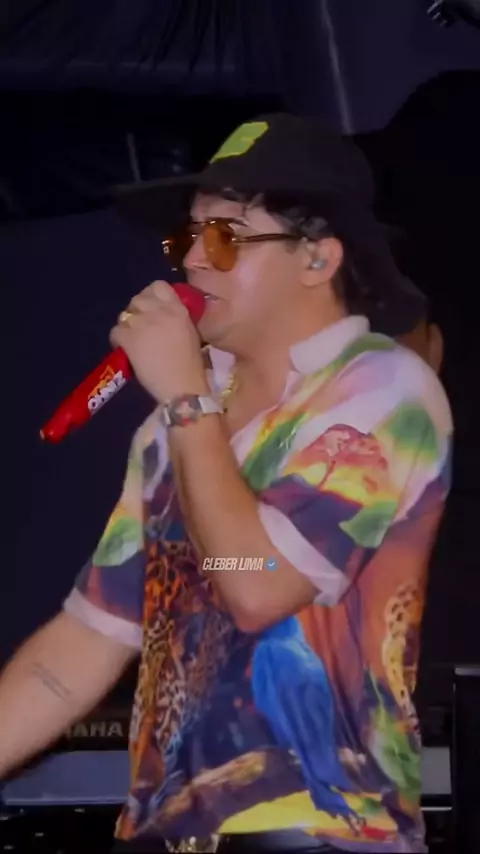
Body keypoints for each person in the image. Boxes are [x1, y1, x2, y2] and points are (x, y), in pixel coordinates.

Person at [0, 115, 452, 853]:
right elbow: (78, 650)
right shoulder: (175, 428)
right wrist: (188, 405)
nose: (191, 262)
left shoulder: (382, 390)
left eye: (224, 237)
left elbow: (258, 581)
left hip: (318, 833)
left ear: (318, 258)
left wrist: (185, 398)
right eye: (187, 237)